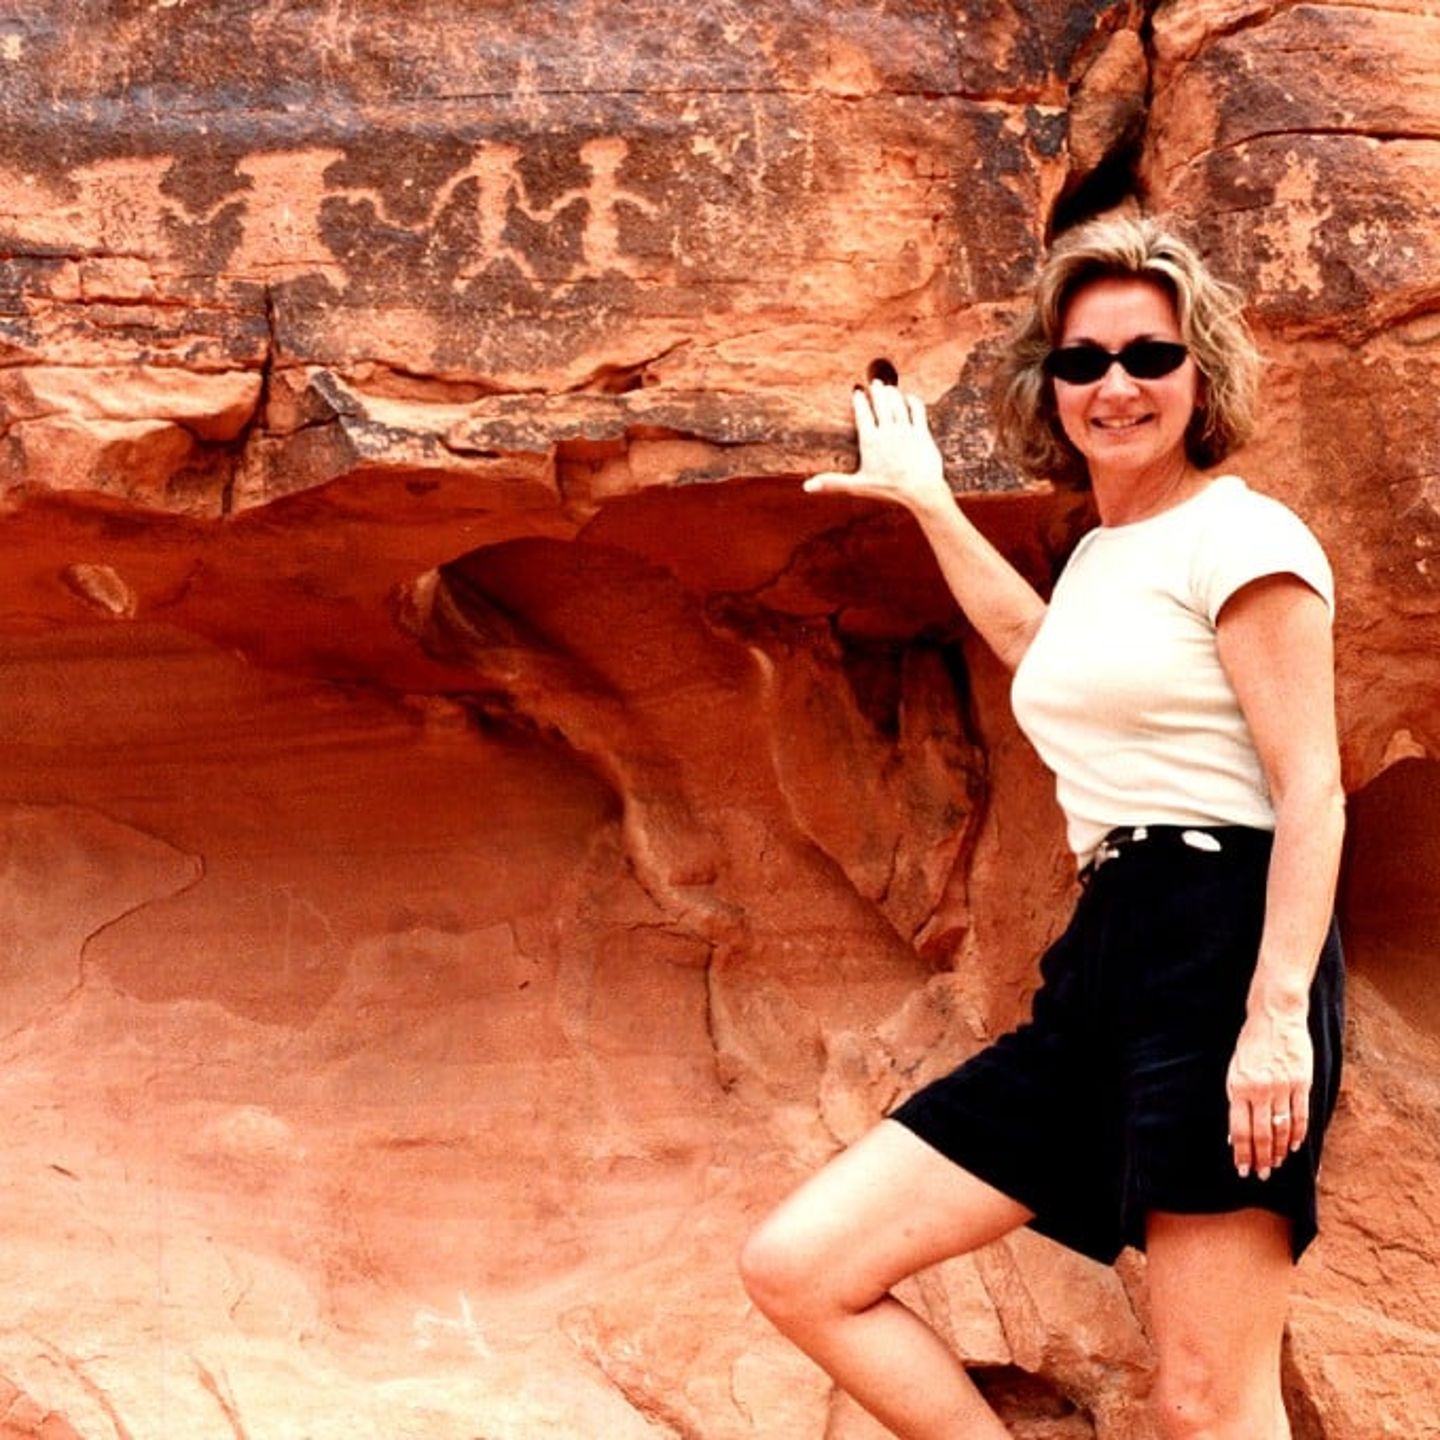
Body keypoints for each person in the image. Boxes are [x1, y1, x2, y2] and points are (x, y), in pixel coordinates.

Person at [738, 212, 1345, 1440]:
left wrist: (1275, 1018)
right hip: (1106, 961)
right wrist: (926, 499)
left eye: (1148, 357)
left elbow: (1312, 789)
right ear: (1050, 383)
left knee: (1205, 1405)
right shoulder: (1106, 557)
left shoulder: (1244, 535)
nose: (1114, 386)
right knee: (801, 1267)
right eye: (1082, 361)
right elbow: (1037, 653)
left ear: (1199, 373)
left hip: (1227, 944)